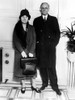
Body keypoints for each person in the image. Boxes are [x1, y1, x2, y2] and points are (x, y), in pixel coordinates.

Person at [33, 2, 61, 95]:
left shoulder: (53, 19)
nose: (44, 9)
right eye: (42, 8)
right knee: (42, 68)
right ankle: (44, 83)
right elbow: (34, 34)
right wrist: (37, 44)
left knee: (51, 68)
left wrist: (53, 44)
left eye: (46, 8)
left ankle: (55, 86)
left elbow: (57, 33)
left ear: (48, 9)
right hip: (40, 48)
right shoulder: (36, 20)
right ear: (40, 9)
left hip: (50, 48)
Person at [13, 9, 36, 77]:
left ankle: (33, 84)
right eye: (23, 17)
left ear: (28, 18)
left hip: (30, 51)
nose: (24, 18)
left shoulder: (32, 28)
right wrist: (22, 51)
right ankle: (23, 84)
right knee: (20, 70)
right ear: (20, 18)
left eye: (26, 17)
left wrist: (31, 51)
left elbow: (34, 40)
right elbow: (15, 40)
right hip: (20, 51)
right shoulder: (17, 27)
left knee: (31, 68)